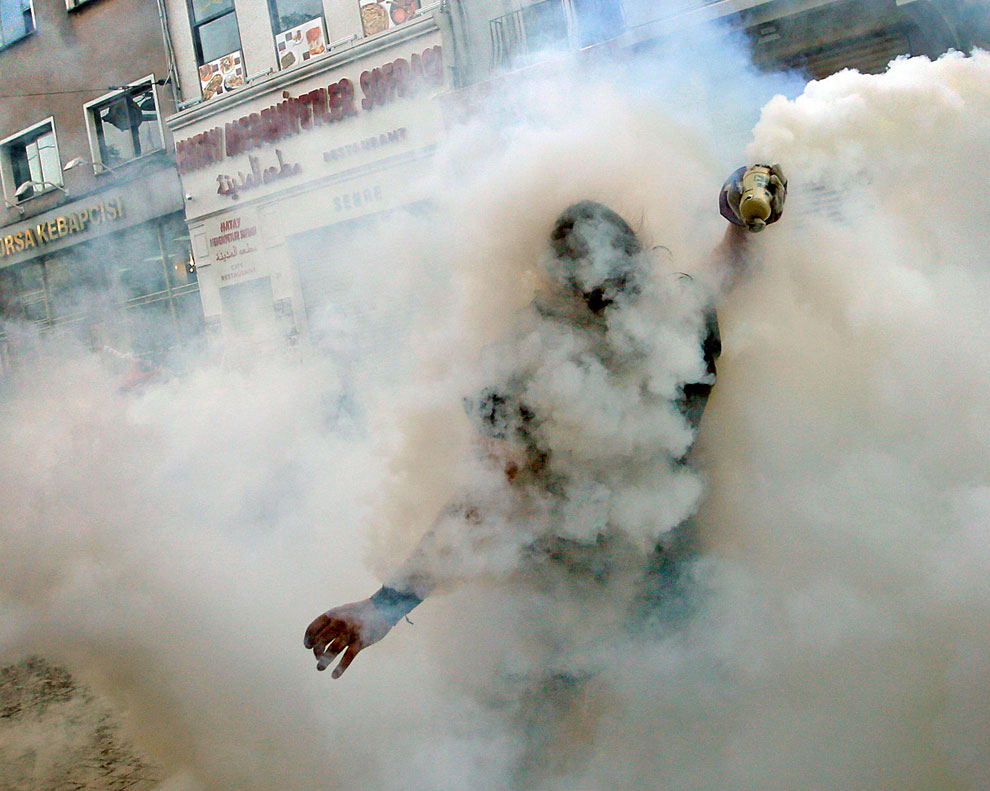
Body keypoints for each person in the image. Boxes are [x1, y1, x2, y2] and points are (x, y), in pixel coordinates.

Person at [304, 166, 788, 680]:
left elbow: (484, 501)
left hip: (646, 596)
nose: (613, 305)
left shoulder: (670, 318)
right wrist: (386, 606)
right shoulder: (542, 361)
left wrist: (739, 222)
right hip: (581, 607)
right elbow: (485, 500)